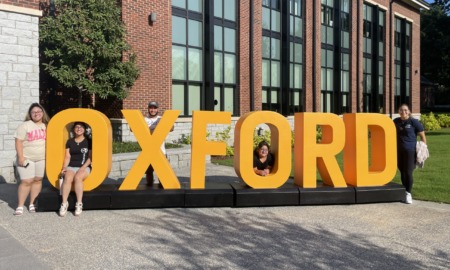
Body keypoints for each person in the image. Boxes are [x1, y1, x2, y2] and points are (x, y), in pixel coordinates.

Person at [13, 103, 50, 216]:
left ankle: (32, 203)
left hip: (41, 159)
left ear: (42, 112)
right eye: (33, 112)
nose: (36, 114)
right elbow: (18, 141)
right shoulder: (25, 125)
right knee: (26, 181)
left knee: (38, 180)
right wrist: (20, 157)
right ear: (30, 114)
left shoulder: (47, 126)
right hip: (27, 158)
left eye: (38, 111)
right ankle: (20, 206)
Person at [393, 104, 427, 204]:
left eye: (405, 110)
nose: (403, 112)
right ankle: (404, 190)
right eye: (401, 110)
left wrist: (423, 148)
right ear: (398, 111)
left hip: (410, 151)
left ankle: (408, 193)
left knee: (408, 172)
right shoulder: (396, 122)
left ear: (409, 111)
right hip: (398, 151)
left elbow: (422, 136)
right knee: (402, 171)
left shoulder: (414, 122)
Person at [59, 122, 92, 217]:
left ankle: (79, 204)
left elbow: (90, 157)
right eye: (76, 127)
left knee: (78, 178)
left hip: (84, 166)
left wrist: (83, 168)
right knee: (68, 178)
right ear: (73, 129)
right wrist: (64, 167)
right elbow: (67, 156)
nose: (79, 128)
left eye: (81, 127)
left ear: (84, 129)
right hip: (71, 166)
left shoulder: (88, 141)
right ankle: (64, 203)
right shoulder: (70, 141)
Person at [144, 101, 174, 186]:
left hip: (161, 150)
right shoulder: (144, 119)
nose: (152, 110)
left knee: (163, 173)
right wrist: (157, 129)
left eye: (154, 108)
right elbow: (132, 128)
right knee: (149, 172)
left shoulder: (161, 119)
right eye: (151, 108)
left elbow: (171, 127)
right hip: (148, 150)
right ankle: (149, 189)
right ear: (148, 109)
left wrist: (150, 130)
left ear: (158, 109)